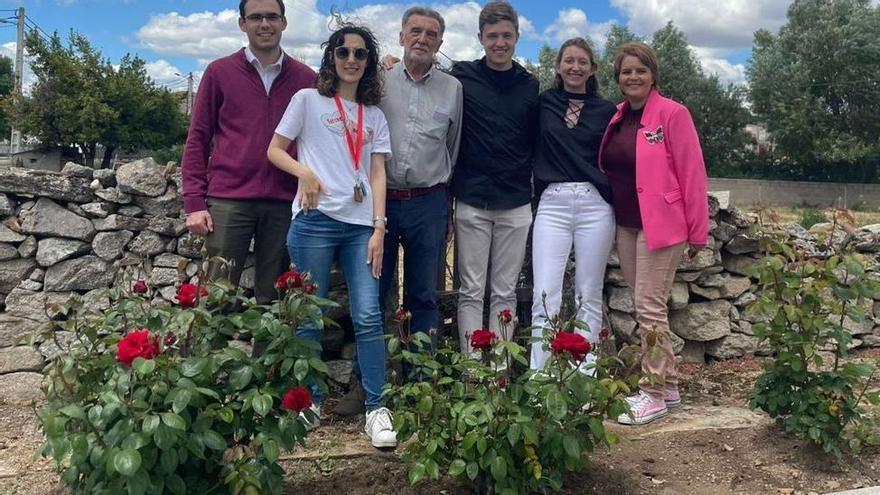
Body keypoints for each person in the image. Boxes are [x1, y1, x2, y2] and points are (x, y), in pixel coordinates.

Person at [266, 25, 397, 448]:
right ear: (331, 57)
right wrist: (304, 172)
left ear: (369, 63)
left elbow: (377, 172)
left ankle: (377, 408)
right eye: (344, 51)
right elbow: (275, 149)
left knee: (369, 315)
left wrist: (379, 225)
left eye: (361, 54)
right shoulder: (307, 100)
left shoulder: (374, 115)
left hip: (361, 227)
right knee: (307, 316)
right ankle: (310, 402)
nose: (352, 59)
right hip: (314, 222)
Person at [599, 42, 709, 425]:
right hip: (627, 225)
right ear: (617, 78)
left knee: (648, 307)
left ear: (653, 75)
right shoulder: (617, 116)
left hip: (662, 225)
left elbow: (693, 173)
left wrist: (699, 231)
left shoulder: (673, 114)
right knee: (645, 303)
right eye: (626, 72)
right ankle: (671, 386)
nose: (633, 77)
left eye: (640, 71)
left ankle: (653, 393)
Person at [181, 0, 315, 304]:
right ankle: (210, 354)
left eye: (271, 17)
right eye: (256, 17)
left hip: (284, 204)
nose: (264, 24)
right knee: (216, 296)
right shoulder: (219, 72)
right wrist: (194, 201)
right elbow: (198, 138)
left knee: (277, 302)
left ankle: (266, 355)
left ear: (284, 22)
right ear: (242, 24)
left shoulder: (306, 79)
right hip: (229, 201)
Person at [450, 1, 539, 354]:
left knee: (504, 291)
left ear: (517, 37)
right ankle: (474, 372)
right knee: (471, 291)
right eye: (492, 36)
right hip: (472, 198)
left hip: (516, 201)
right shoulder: (461, 76)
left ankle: (499, 372)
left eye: (506, 35)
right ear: (480, 38)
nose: (499, 42)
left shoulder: (529, 85)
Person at [528, 38, 617, 371]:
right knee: (545, 294)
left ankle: (585, 375)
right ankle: (540, 377)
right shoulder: (542, 104)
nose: (575, 67)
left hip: (595, 206)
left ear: (592, 68)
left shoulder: (607, 110)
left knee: (588, 293)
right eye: (569, 60)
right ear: (558, 65)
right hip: (552, 203)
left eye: (583, 62)